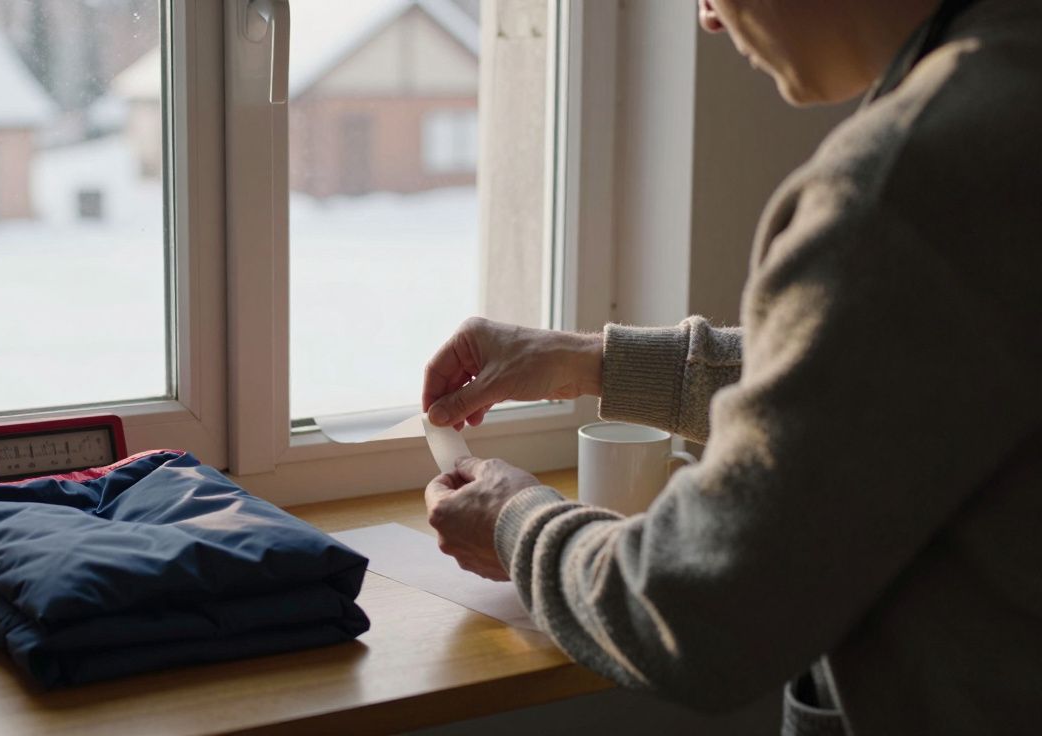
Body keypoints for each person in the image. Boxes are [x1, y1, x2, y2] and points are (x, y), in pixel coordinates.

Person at [420, 0, 1042, 733]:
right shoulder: (1014, 82)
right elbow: (894, 379)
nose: (706, 18)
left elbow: (699, 611)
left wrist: (513, 525)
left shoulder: (907, 180)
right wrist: (588, 361)